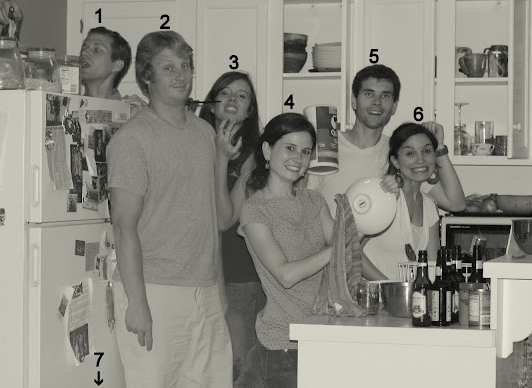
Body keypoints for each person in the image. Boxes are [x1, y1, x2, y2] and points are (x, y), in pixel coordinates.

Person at [107, 30, 231, 387]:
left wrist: (218, 288)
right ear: (147, 76)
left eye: (186, 66)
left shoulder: (204, 133)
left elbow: (209, 218)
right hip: (154, 289)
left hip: (205, 291)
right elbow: (123, 228)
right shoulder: (133, 139)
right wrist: (137, 303)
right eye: (169, 67)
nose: (181, 75)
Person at [236, 113, 391, 387]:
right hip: (283, 342)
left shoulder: (314, 200)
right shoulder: (254, 210)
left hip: (324, 334)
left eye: (306, 151)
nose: (298, 158)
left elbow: (347, 248)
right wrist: (339, 245)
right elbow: (286, 275)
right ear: (267, 151)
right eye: (290, 148)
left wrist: (380, 202)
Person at [306, 64, 466, 217]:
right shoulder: (326, 145)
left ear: (394, 106)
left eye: (385, 96)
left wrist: (439, 147)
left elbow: (455, 204)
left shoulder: (401, 153)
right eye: (369, 94)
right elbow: (302, 203)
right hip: (327, 237)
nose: (377, 102)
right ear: (354, 100)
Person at [364, 122, 464, 278]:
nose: (421, 160)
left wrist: (440, 146)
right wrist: (389, 286)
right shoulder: (383, 196)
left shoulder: (429, 206)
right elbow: (349, 252)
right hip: (370, 292)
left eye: (427, 151)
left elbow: (432, 268)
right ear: (395, 161)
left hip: (407, 293)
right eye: (410, 153)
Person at [200, 71, 261, 283]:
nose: (232, 99)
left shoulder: (255, 157)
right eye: (225, 93)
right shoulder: (193, 147)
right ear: (211, 105)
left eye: (241, 95)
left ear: (249, 111)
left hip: (236, 276)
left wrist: (222, 158)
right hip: (193, 270)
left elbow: (223, 221)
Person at [79, 26, 146, 112]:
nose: (84, 52)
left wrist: (146, 117)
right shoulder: (68, 108)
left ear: (117, 66)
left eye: (96, 50)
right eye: (83, 48)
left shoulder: (131, 111)